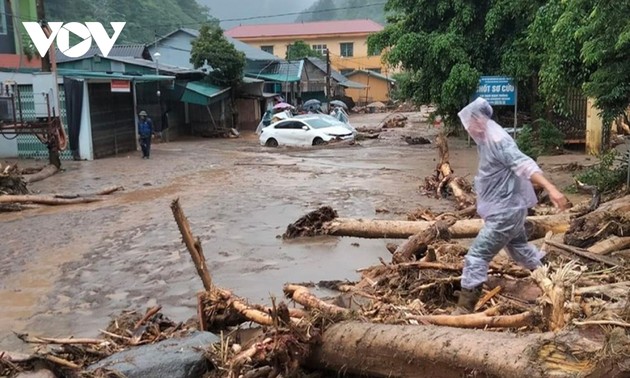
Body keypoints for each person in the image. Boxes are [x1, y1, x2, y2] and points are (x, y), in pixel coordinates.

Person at [453, 97, 570, 314]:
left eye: (470, 123)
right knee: (520, 250)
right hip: (507, 209)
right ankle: (556, 276)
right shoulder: (486, 139)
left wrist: (551, 188)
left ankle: (464, 309)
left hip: (504, 213)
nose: (468, 128)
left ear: (479, 120)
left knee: (477, 256)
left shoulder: (498, 140)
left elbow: (523, 164)